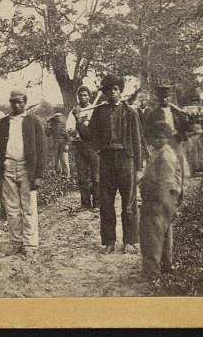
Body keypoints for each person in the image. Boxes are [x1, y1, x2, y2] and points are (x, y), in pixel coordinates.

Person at [75, 74, 145, 255]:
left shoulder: (130, 112)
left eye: (115, 89)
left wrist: (139, 168)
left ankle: (129, 241)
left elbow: (137, 142)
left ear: (120, 91)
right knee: (106, 202)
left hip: (125, 159)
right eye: (109, 90)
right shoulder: (99, 112)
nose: (112, 93)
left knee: (129, 203)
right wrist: (78, 120)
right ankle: (109, 241)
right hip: (105, 159)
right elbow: (89, 136)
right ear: (104, 94)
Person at [0, 89, 47, 258]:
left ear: (25, 102)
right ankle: (16, 243)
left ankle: (30, 244)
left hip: (26, 170)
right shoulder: (4, 122)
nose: (16, 105)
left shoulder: (34, 121)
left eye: (20, 102)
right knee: (12, 209)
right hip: (8, 168)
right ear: (10, 103)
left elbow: (42, 149)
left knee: (29, 208)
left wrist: (38, 176)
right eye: (13, 102)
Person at [138, 121, 185, 278]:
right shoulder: (161, 153)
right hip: (161, 199)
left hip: (160, 200)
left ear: (168, 138)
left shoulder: (165, 156)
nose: (155, 141)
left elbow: (166, 183)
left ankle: (152, 272)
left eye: (160, 138)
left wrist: (157, 202)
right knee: (164, 233)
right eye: (154, 138)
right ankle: (166, 265)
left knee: (152, 235)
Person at [144, 85, 194, 180]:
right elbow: (147, 132)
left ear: (170, 97)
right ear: (158, 98)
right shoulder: (153, 114)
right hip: (161, 144)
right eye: (161, 97)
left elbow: (188, 129)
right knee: (163, 171)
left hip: (176, 141)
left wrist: (188, 120)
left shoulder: (177, 112)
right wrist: (154, 143)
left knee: (179, 168)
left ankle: (179, 192)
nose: (164, 99)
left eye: (166, 97)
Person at [70, 85, 100, 210]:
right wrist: (77, 131)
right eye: (80, 95)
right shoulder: (74, 111)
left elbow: (95, 131)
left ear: (89, 97)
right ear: (78, 97)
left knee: (96, 177)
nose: (83, 97)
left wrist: (83, 125)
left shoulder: (94, 110)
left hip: (92, 147)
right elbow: (69, 128)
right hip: (79, 146)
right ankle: (85, 204)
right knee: (82, 177)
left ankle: (97, 204)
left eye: (85, 95)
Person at [50, 113, 71, 179]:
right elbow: (47, 133)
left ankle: (66, 175)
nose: (57, 118)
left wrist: (67, 144)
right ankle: (57, 173)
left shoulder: (64, 126)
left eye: (58, 117)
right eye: (56, 117)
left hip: (63, 142)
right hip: (55, 142)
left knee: (64, 159)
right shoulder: (52, 125)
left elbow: (68, 136)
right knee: (55, 160)